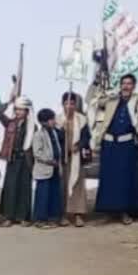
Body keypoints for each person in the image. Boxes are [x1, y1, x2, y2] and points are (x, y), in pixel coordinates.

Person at [92, 73, 138, 223]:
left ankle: (125, 212)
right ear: (120, 85)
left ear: (133, 86)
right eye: (124, 83)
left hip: (126, 144)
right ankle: (108, 212)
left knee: (125, 179)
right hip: (109, 144)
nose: (126, 86)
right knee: (108, 179)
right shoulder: (111, 100)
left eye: (129, 83)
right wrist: (96, 81)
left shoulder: (137, 99)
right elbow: (93, 100)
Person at [0, 97, 34, 226]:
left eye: (21, 109)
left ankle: (23, 217)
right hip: (13, 159)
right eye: (16, 109)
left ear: (27, 111)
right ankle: (8, 217)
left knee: (24, 188)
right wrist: (10, 101)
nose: (18, 112)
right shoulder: (10, 123)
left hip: (26, 160)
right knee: (10, 187)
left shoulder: (32, 126)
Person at [58, 92, 92, 227]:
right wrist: (63, 130)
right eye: (66, 103)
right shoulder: (58, 120)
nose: (69, 106)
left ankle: (78, 214)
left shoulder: (82, 119)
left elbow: (87, 137)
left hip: (77, 158)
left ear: (75, 105)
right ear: (62, 104)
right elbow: (55, 139)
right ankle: (63, 214)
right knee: (63, 185)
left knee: (78, 184)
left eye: (72, 103)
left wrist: (78, 145)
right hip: (63, 158)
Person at [31, 108, 63, 228]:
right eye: (51, 119)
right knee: (42, 195)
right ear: (44, 122)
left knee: (54, 194)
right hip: (44, 169)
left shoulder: (54, 132)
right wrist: (49, 161)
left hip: (55, 169)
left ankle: (52, 218)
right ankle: (40, 220)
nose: (54, 121)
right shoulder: (38, 135)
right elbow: (37, 153)